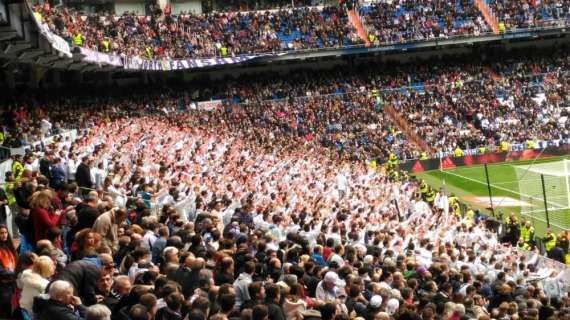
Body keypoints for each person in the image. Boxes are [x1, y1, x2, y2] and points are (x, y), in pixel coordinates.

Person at [0, 224, 17, 318]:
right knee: (6, 310)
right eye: (1, 233)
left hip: (12, 283)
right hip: (3, 285)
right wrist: (14, 273)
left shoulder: (8, 247)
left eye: (6, 232)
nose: (4, 235)